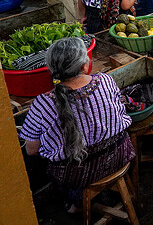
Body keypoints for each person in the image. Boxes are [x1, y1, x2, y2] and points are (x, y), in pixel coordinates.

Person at [19, 38, 134, 212]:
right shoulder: (105, 80)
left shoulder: (42, 104)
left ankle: (77, 204)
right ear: (84, 65)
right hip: (119, 156)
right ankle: (96, 195)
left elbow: (31, 150)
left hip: (76, 175)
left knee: (50, 164)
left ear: (52, 70)